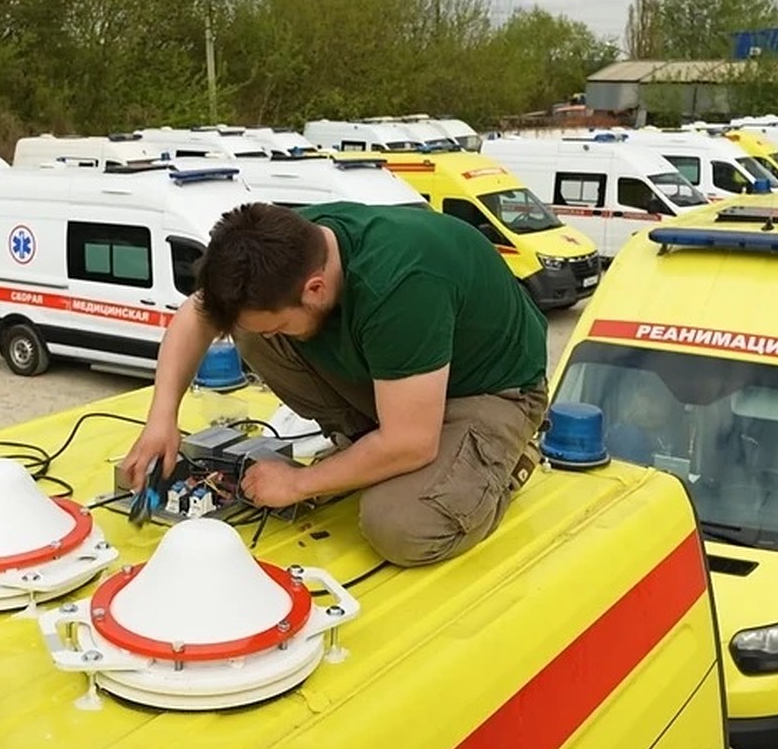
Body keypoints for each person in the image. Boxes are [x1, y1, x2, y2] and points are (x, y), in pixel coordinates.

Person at [120, 201, 549, 567]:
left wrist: (298, 483)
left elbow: (414, 441)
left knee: (399, 525)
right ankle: (366, 444)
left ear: (315, 288)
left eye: (280, 326)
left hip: (489, 390)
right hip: (405, 377)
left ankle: (495, 468)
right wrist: (162, 420)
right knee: (248, 328)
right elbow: (198, 313)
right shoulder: (289, 247)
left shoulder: (400, 286)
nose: (275, 338)